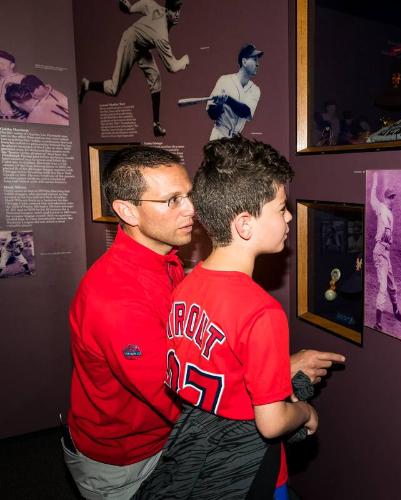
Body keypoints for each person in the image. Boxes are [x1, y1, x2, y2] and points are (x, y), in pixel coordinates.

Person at [64, 144, 345, 499]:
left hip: (171, 441)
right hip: (129, 460)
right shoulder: (115, 298)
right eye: (172, 201)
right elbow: (183, 393)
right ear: (126, 211)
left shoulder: (171, 264)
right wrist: (281, 385)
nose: (191, 210)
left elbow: (199, 363)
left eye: (189, 195)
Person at [134, 137, 326, 499]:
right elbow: (271, 424)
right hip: (250, 472)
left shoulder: (185, 286)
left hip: (200, 456)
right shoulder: (262, 311)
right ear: (245, 224)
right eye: (281, 207)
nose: (288, 217)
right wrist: (304, 412)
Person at [79, 0, 189, 137]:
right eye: (174, 11)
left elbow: (146, 4)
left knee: (156, 78)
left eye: (179, 10)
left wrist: (131, 8)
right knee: (114, 89)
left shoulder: (157, 9)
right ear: (167, 11)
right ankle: (87, 84)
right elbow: (172, 67)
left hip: (142, 46)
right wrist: (184, 60)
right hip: (130, 42)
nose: (177, 14)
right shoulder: (161, 35)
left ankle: (156, 125)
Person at [370, 171, 401, 331]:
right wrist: (375, 181)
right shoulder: (380, 207)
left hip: (386, 253)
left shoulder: (390, 213)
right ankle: (377, 323)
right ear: (385, 198)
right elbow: (372, 197)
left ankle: (396, 310)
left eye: (393, 197)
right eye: (390, 197)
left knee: (392, 287)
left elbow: (388, 234)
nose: (392, 199)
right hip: (379, 251)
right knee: (383, 287)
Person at [207, 43, 263, 140]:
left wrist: (227, 99)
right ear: (244, 62)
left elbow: (245, 112)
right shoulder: (224, 80)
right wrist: (219, 104)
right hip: (219, 135)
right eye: (254, 59)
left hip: (236, 141)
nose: (258, 64)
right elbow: (212, 114)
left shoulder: (255, 90)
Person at [4, 83, 69, 126]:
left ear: (15, 103)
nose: (33, 99)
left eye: (28, 96)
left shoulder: (33, 117)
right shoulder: (52, 99)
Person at [0, 50, 25, 120]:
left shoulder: (22, 79)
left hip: (19, 120)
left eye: (2, 63)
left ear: (12, 65)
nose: (0, 66)